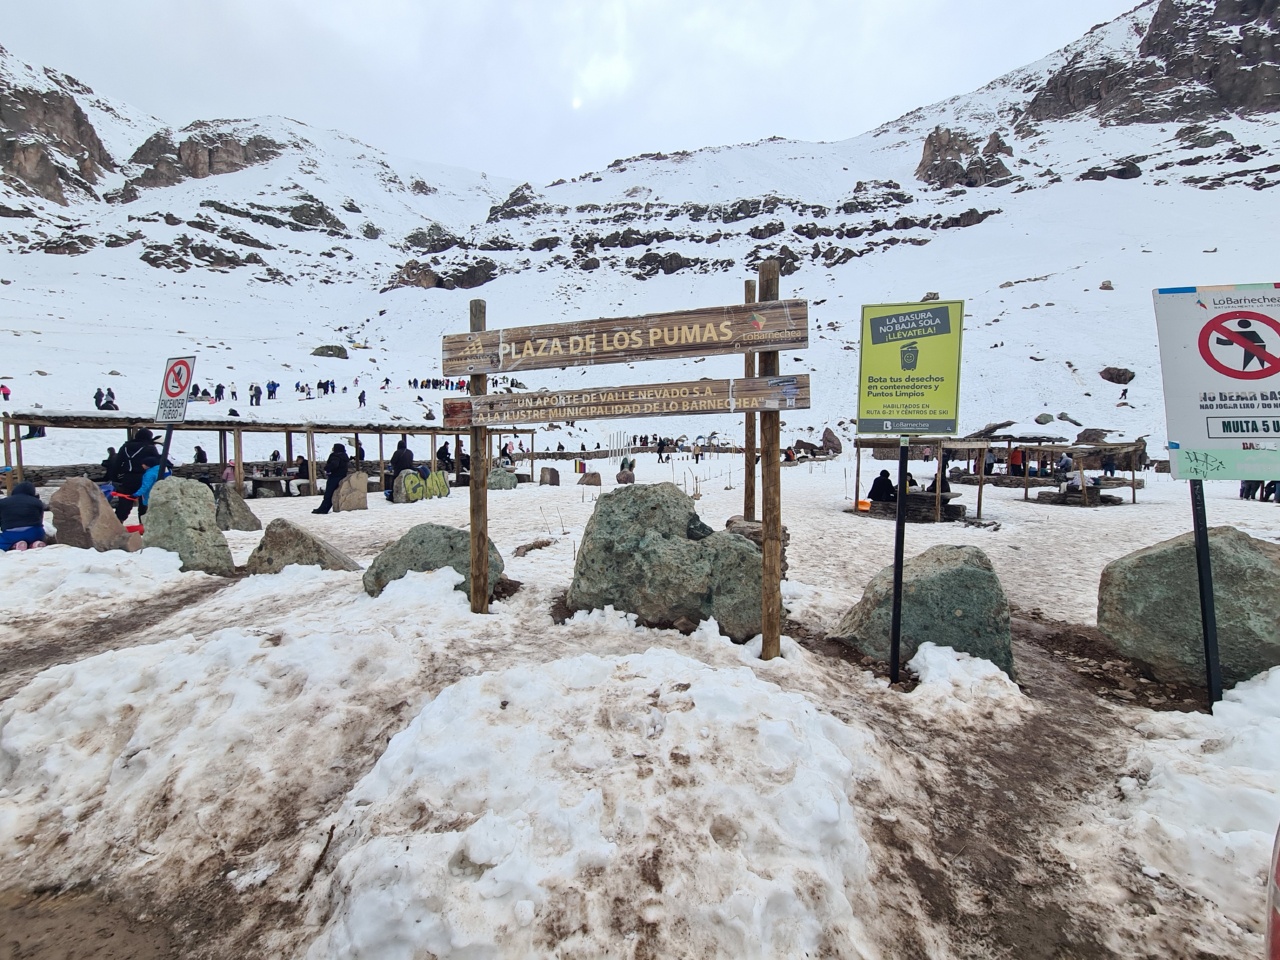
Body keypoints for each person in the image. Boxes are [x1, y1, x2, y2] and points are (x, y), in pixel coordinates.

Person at [108, 428, 163, 522]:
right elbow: (157, 462)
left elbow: (117, 462)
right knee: (144, 501)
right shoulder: (150, 447)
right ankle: (144, 524)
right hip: (145, 477)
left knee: (125, 501)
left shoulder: (125, 446)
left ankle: (118, 522)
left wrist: (115, 477)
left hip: (128, 477)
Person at [0, 481, 48, 551]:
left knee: (3, 541)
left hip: (11, 534)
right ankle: (35, 543)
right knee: (37, 534)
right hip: (34, 532)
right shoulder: (37, 502)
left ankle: (15, 545)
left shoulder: (3, 502)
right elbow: (40, 519)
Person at [312, 443, 350, 514]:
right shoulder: (344, 456)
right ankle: (326, 508)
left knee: (329, 493)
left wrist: (327, 468)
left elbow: (334, 464)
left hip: (334, 476)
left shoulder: (335, 456)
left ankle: (323, 509)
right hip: (342, 476)